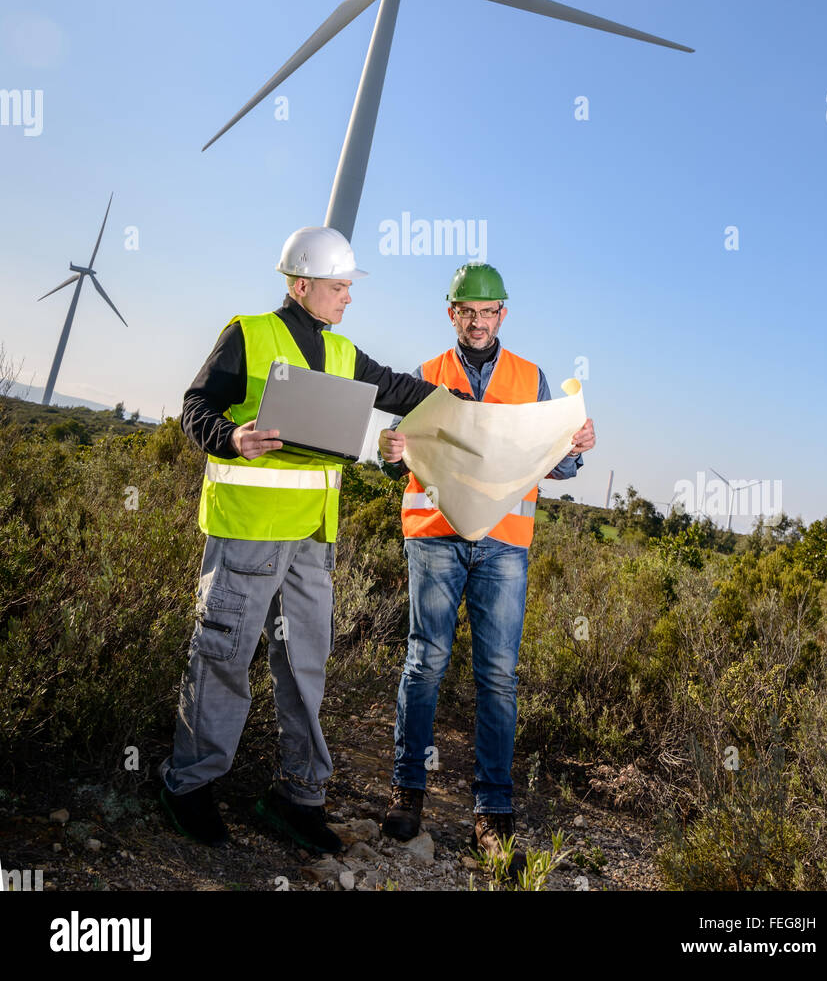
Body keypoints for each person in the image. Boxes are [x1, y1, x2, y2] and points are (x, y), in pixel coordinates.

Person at [159, 226, 441, 852]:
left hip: (313, 542)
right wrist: (230, 437)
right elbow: (195, 404)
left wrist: (469, 403)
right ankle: (188, 785)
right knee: (223, 656)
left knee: (305, 663)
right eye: (340, 287)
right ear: (302, 285)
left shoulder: (343, 353)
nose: (348, 298)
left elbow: (399, 387)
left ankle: (297, 795)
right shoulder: (248, 333)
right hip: (248, 533)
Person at [377, 262, 596, 870]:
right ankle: (407, 794)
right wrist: (389, 451)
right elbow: (395, 457)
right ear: (452, 314)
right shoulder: (424, 376)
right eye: (466, 312)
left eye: (488, 312)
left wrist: (574, 448)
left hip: (504, 544)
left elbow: (552, 460)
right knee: (425, 663)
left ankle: (492, 815)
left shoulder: (531, 378)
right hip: (434, 536)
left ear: (503, 314)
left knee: (498, 677)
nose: (477, 322)